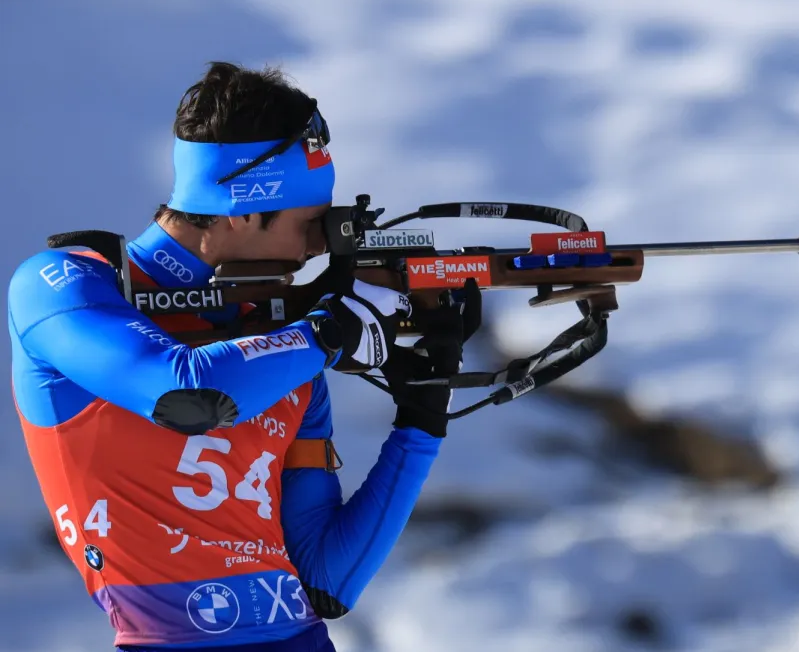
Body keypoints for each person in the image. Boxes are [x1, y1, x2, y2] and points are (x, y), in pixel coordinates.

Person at [7, 62, 470, 652]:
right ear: (244, 212)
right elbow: (187, 395)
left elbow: (327, 582)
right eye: (308, 224)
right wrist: (331, 330)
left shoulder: (278, 340)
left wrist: (422, 415)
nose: (317, 248)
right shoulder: (61, 284)